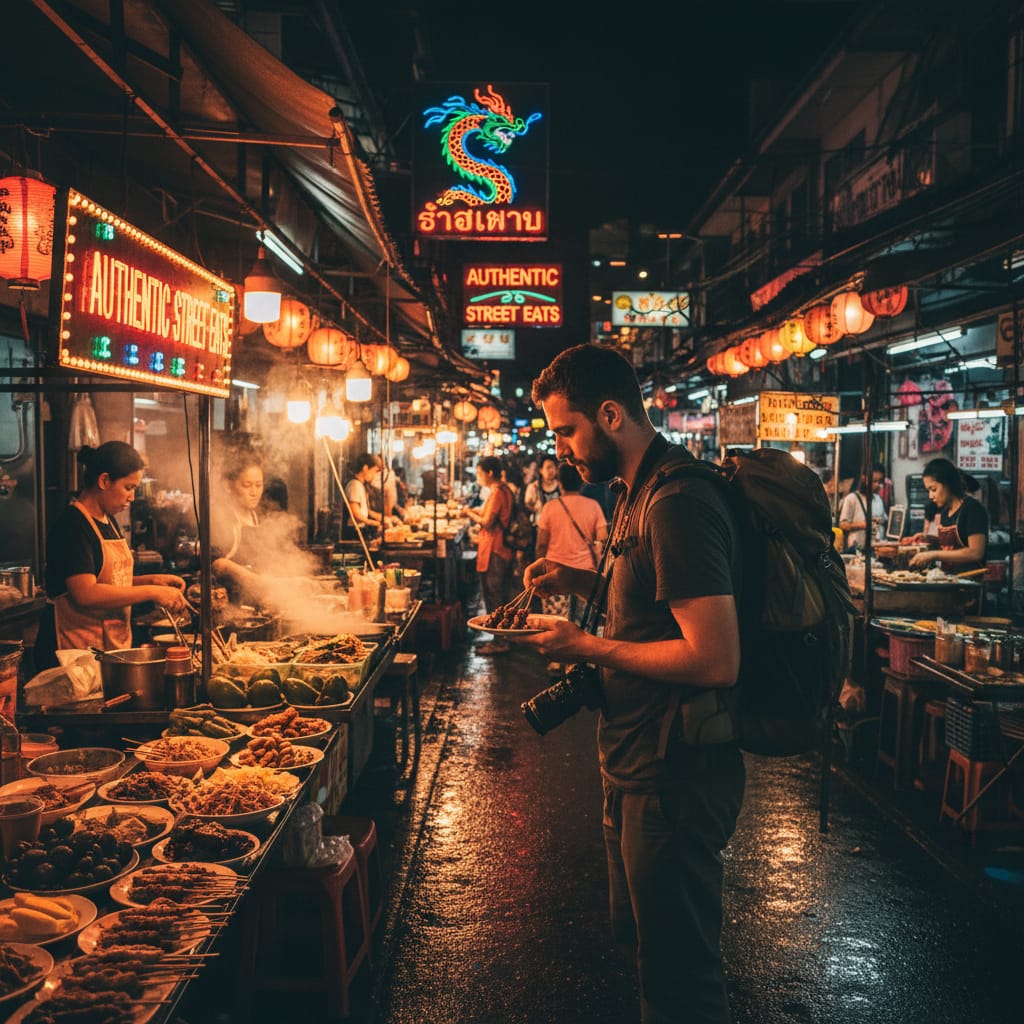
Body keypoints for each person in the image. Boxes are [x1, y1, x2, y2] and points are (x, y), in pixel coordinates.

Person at [521, 344, 744, 1024]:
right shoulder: (631, 492)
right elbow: (651, 604)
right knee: (644, 947)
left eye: (566, 430)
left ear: (610, 414)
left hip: (672, 771)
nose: (560, 449)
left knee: (679, 978)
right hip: (632, 760)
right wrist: (576, 581)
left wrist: (584, 645)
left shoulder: (675, 500)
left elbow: (716, 658)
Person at [34, 442, 187, 670]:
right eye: (128, 487)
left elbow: (110, 582)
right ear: (104, 481)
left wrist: (153, 580)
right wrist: (153, 591)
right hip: (71, 655)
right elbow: (85, 593)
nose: (132, 497)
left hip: (105, 649)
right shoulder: (72, 525)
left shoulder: (108, 521)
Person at [535, 462, 608, 673]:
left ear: (559, 483)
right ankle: (577, 664)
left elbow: (541, 543)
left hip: (554, 576)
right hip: (586, 576)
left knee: (557, 622)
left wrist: (539, 567)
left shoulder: (550, 507)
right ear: (582, 484)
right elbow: (602, 540)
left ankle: (556, 660)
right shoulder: (593, 506)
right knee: (582, 624)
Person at [466, 455, 515, 655]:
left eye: (479, 473)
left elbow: (487, 522)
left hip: (496, 549)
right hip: (499, 548)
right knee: (498, 593)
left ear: (490, 473)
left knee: (494, 595)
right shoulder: (504, 490)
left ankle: (500, 641)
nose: (478, 477)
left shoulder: (497, 492)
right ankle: (501, 636)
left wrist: (468, 513)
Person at [908, 457, 988, 570]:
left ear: (948, 483)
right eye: (928, 491)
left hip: (969, 582)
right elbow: (950, 547)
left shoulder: (972, 509)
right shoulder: (945, 512)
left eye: (934, 489)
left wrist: (933, 555)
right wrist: (928, 538)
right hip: (950, 579)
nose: (930, 496)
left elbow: (976, 552)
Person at [211, 449, 270, 598]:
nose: (254, 492)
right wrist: (258, 581)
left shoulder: (256, 516)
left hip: (252, 597)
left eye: (259, 485)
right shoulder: (221, 519)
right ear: (227, 486)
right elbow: (218, 565)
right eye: (247, 485)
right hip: (227, 600)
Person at [343, 453, 387, 540]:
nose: (374, 476)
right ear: (365, 468)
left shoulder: (361, 485)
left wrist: (380, 517)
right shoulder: (354, 485)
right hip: (354, 531)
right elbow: (356, 514)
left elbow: (364, 510)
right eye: (374, 471)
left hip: (360, 529)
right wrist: (377, 523)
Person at [838, 473, 885, 551]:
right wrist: (863, 525)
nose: (877, 485)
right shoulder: (851, 499)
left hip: (876, 548)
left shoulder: (878, 500)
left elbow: (883, 521)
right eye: (874, 481)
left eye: (880, 482)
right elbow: (843, 525)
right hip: (857, 549)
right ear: (864, 479)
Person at [523, 455, 561, 520]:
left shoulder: (560, 485)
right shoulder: (534, 487)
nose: (551, 470)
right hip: (540, 523)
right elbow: (527, 505)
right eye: (548, 467)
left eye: (553, 467)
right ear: (541, 470)